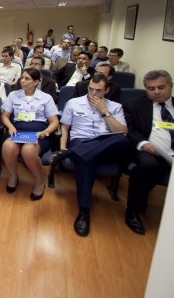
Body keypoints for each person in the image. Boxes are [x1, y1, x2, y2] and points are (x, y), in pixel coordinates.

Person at [50, 74, 130, 237]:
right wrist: (63, 146)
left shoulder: (115, 106)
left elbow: (121, 131)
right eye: (90, 89)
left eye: (98, 90)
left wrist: (104, 111)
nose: (93, 94)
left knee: (123, 141)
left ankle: (72, 154)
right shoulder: (74, 103)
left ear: (106, 90)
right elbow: (65, 128)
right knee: (86, 159)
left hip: (107, 142)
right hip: (81, 141)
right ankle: (84, 211)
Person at [124, 70, 174, 235]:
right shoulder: (134, 105)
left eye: (160, 87)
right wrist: (143, 143)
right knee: (147, 166)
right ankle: (133, 211)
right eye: (150, 88)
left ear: (171, 86)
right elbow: (130, 130)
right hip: (150, 150)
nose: (156, 92)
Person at [1, 69, 59, 200]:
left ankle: (39, 182)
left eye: (27, 79)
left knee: (28, 150)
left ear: (36, 81)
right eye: (22, 78)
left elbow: (54, 122)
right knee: (7, 147)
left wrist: (45, 132)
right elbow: (4, 116)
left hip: (38, 133)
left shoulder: (45, 98)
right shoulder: (14, 95)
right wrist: (10, 126)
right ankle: (13, 176)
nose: (22, 81)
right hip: (18, 130)